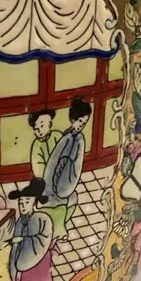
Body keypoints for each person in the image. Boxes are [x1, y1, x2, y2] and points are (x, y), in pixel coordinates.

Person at [43, 97, 92, 238]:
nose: (81, 125)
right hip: (56, 183)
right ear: (73, 119)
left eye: (84, 123)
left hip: (64, 182)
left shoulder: (77, 138)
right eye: (80, 121)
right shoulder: (68, 138)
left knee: (68, 200)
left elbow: (73, 164)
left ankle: (58, 227)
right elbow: (57, 163)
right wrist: (55, 185)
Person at [8, 178, 55, 281]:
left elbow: (43, 238)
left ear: (34, 203)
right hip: (24, 254)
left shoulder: (42, 218)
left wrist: (23, 240)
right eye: (21, 203)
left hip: (38, 254)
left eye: (27, 202)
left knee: (30, 278)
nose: (23, 206)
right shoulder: (21, 220)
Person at [28, 109, 62, 180]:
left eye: (42, 126)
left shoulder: (58, 135)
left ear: (50, 124)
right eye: (36, 128)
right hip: (45, 178)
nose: (39, 131)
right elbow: (38, 167)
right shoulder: (36, 145)